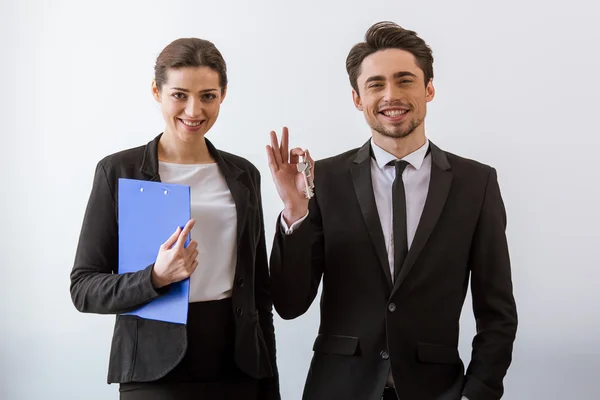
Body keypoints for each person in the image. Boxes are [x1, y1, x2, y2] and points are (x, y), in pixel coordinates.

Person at [266, 21, 517, 400]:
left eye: (405, 80)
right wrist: (294, 211)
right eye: (376, 84)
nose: (391, 95)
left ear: (429, 88)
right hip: (339, 388)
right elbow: (288, 304)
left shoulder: (475, 183)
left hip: (437, 389)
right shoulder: (324, 179)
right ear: (357, 98)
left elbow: (497, 310)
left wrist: (478, 392)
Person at [70, 37, 279, 400]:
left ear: (223, 95)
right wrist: (154, 277)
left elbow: (259, 292)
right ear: (157, 91)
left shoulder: (244, 174)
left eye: (208, 96)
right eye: (179, 95)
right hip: (153, 369)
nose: (194, 110)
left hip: (238, 366)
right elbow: (84, 288)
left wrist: (269, 382)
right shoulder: (119, 171)